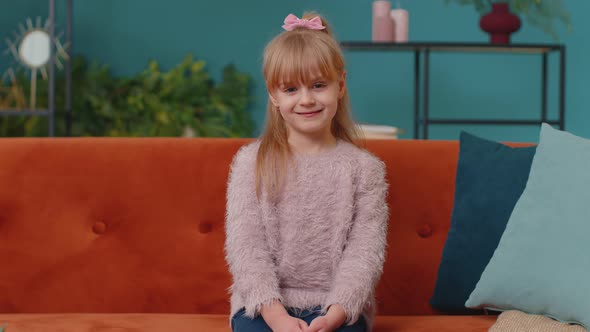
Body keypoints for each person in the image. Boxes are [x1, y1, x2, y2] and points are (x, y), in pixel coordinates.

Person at [225, 12, 389, 332]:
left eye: (318, 85)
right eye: (290, 90)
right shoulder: (250, 163)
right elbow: (247, 250)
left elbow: (364, 253)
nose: (306, 100)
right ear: (273, 95)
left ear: (339, 86)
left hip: (338, 308)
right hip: (264, 306)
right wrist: (277, 317)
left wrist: (336, 313)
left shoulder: (364, 169)